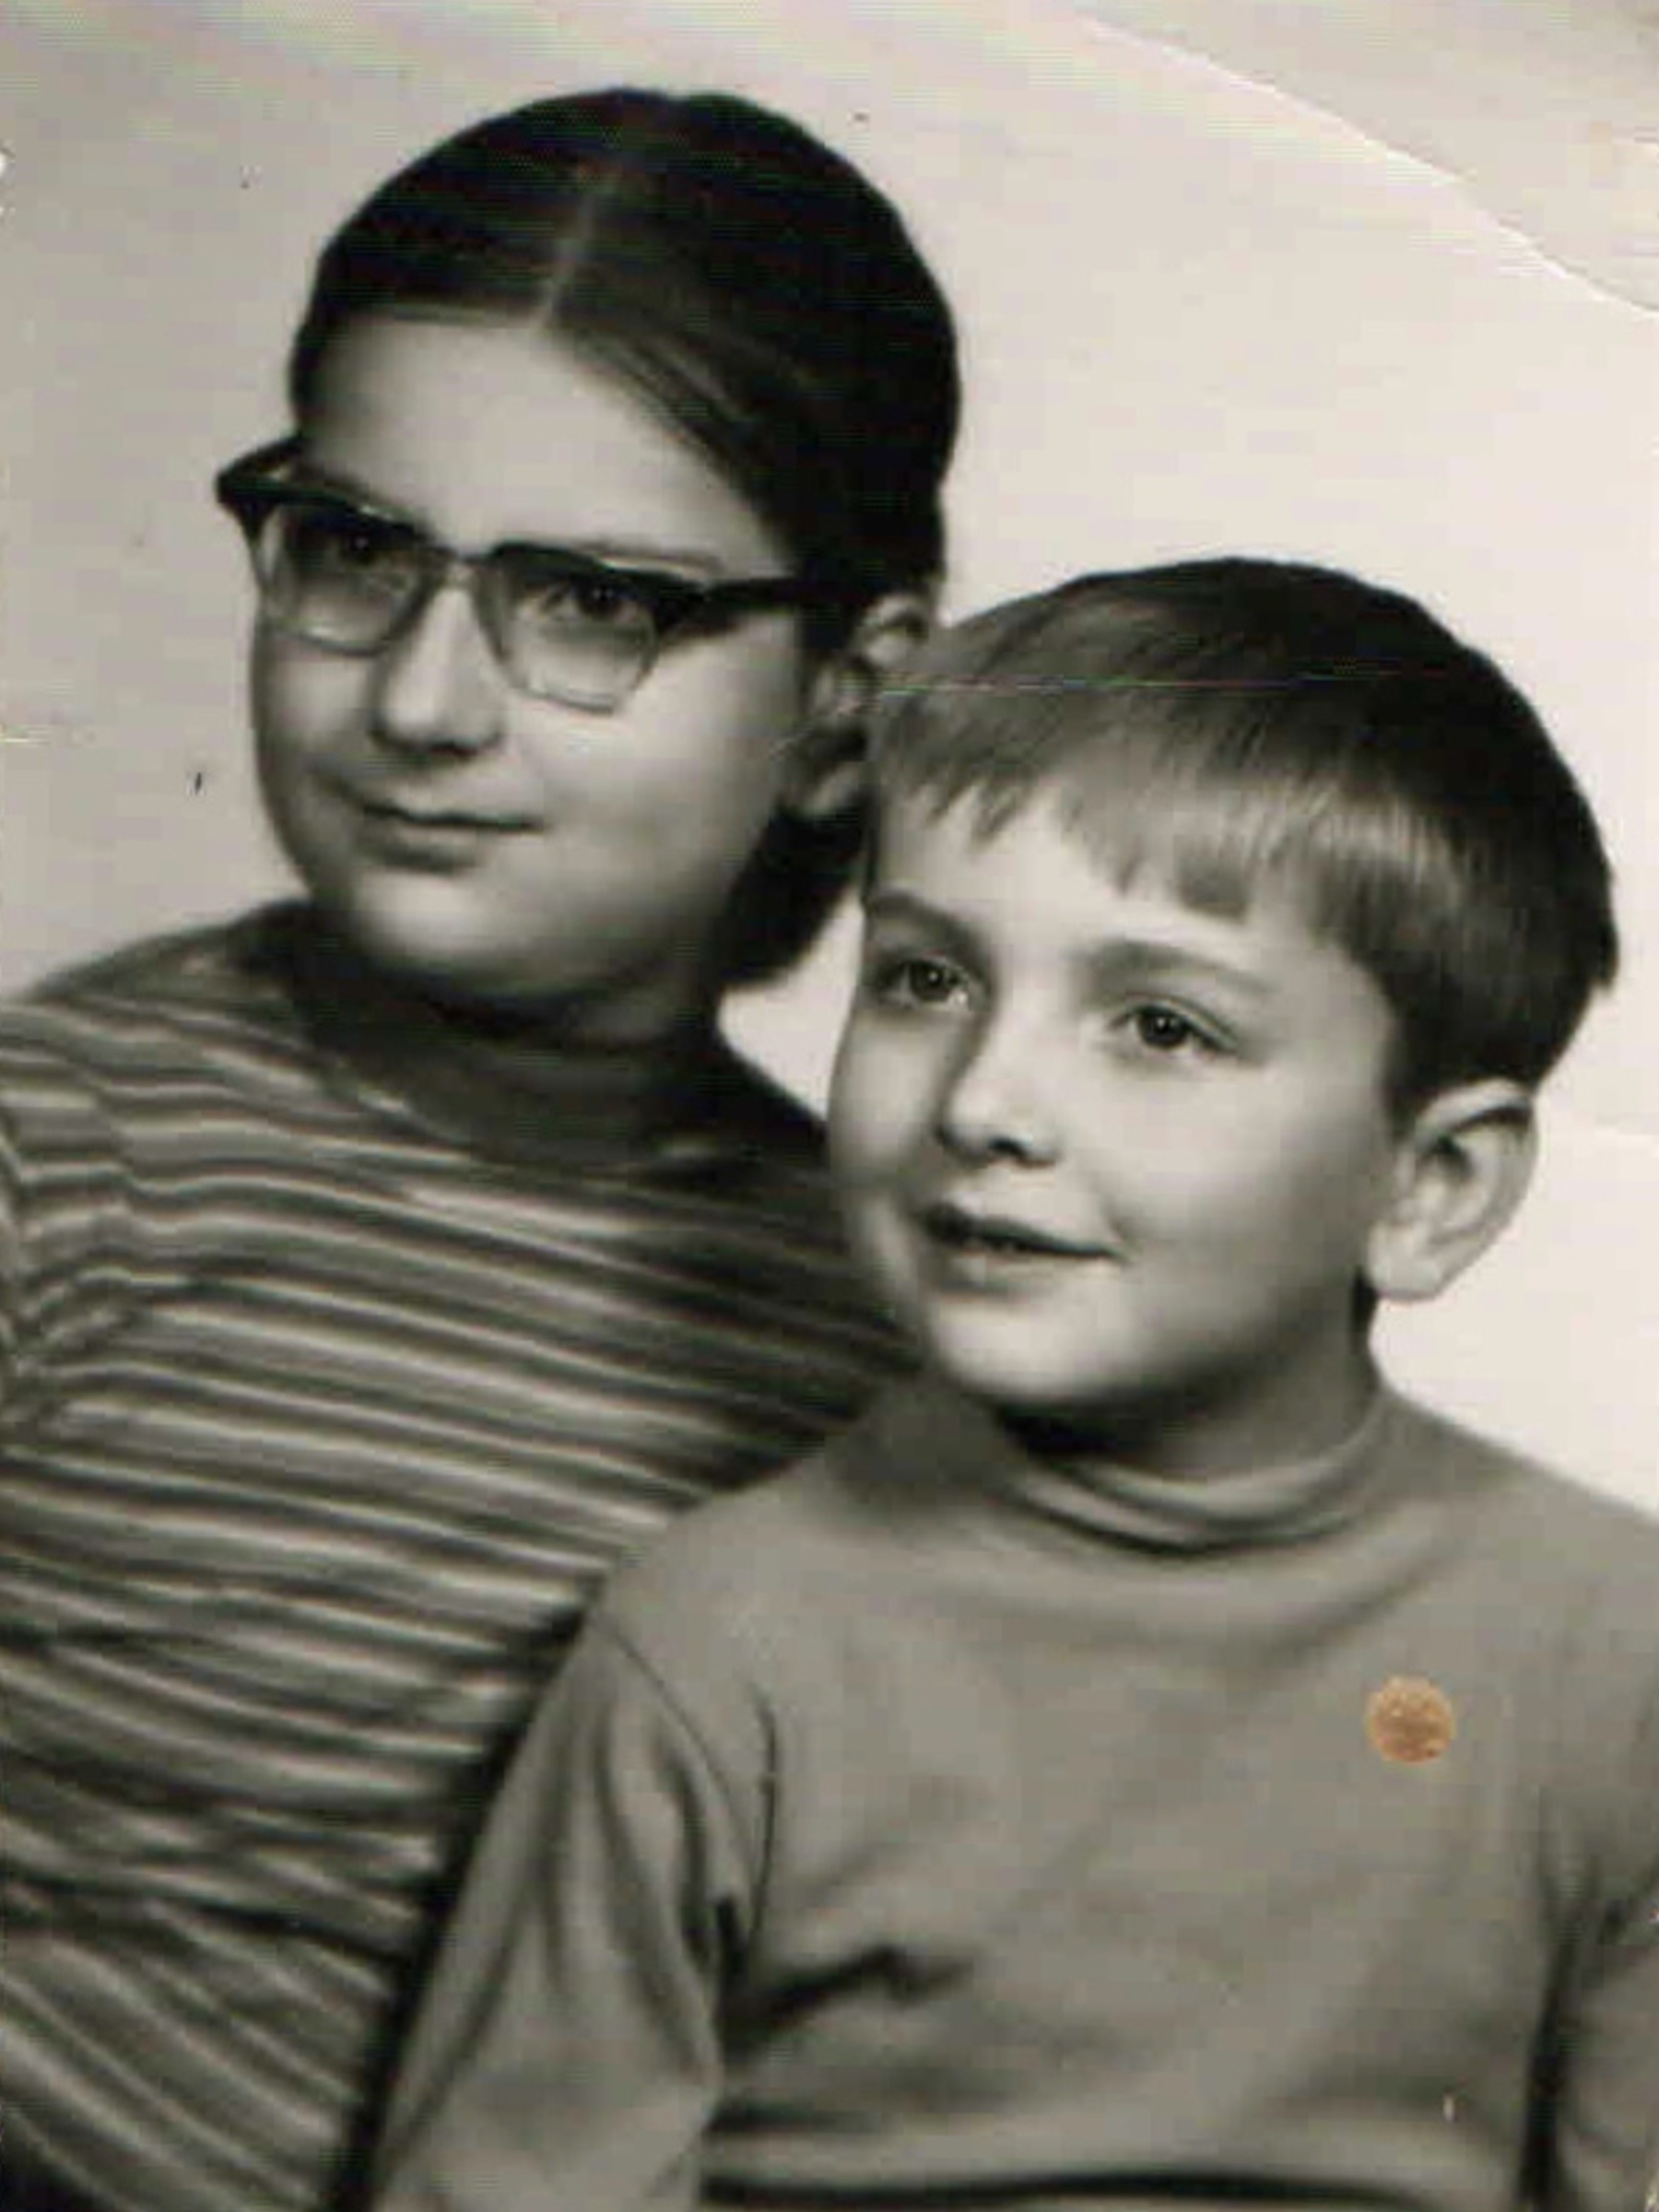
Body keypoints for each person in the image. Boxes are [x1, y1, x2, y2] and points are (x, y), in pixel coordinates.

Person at [371, 559, 1659, 2212]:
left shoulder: (1614, 1655)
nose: (984, 1100)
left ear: (1432, 1187)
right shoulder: (724, 1646)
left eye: (1162, 1027)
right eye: (925, 979)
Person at [0, 88, 959, 2212]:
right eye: (357, 551)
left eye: (593, 600)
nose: (425, 703)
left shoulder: (915, 1343)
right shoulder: (59, 1152)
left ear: (845, 698)